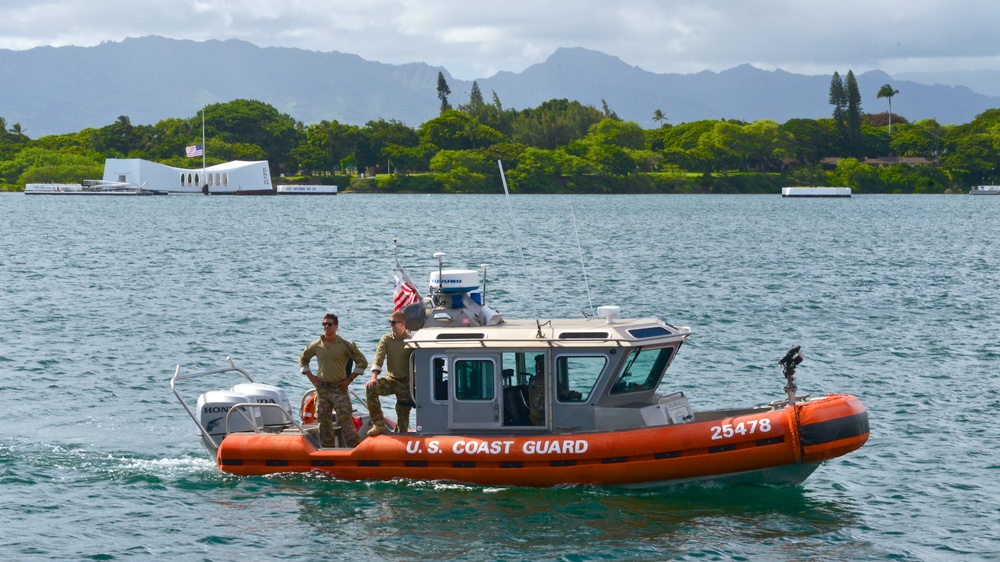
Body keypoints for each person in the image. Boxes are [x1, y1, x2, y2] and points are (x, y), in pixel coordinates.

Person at [299, 313, 368, 447]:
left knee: (346, 422)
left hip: (339, 389)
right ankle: (327, 452)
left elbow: (362, 362)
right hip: (322, 390)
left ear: (336, 326)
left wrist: (349, 379)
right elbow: (303, 359)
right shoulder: (316, 345)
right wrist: (311, 377)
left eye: (329, 324)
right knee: (323, 424)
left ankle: (355, 450)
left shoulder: (344, 345)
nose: (326, 327)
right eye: (324, 324)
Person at [365, 311, 414, 436]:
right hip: (391, 380)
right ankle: (378, 424)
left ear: (402, 324)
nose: (391, 325)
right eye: (390, 322)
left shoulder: (411, 341)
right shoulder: (386, 339)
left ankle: (401, 436)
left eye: (393, 322)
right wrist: (373, 378)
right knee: (371, 388)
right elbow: (378, 359)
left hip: (406, 382)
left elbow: (418, 362)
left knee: (403, 417)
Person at [528, 355, 582, 426]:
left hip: (553, 415)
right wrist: (560, 398)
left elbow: (560, 392)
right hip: (542, 419)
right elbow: (540, 405)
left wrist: (571, 394)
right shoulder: (537, 382)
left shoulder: (551, 380)